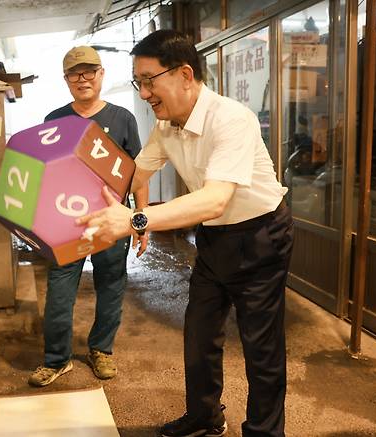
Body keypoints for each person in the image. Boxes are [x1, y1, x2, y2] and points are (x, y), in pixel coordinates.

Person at [77, 31, 294, 437]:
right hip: (214, 238)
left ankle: (265, 432)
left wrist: (135, 221)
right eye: (138, 82)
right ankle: (204, 416)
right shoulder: (167, 127)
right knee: (199, 334)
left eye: (148, 80)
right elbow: (133, 173)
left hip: (261, 235)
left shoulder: (231, 118)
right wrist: (78, 202)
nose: (144, 93)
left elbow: (214, 199)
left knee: (260, 347)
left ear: (185, 74)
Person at [28, 46, 149, 387]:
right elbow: (44, 173)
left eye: (89, 72)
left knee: (111, 286)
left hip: (113, 222)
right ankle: (57, 359)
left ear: (101, 74)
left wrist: (141, 219)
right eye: (74, 73)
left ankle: (101, 350)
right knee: (59, 291)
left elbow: (137, 173)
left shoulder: (123, 118)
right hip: (68, 225)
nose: (82, 79)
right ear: (66, 80)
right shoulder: (54, 120)